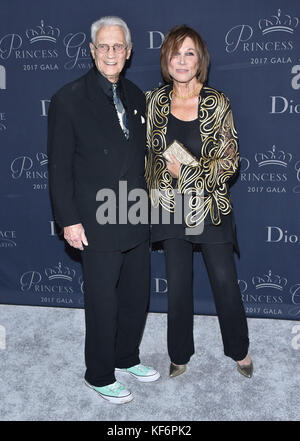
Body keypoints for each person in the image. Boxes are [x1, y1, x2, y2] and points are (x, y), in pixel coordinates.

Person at [48, 16, 160, 405]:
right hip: (94, 219)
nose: (111, 53)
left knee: (135, 294)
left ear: (128, 53)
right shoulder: (69, 98)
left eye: (118, 47)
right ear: (92, 50)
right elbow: (59, 167)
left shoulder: (135, 94)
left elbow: (149, 154)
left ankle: (126, 356)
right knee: (102, 301)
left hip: (132, 212)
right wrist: (69, 220)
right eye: (104, 46)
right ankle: (98, 373)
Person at [145, 25, 253, 379]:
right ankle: (179, 354)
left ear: (200, 59)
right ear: (166, 59)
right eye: (175, 53)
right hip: (171, 208)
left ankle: (239, 350)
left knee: (224, 282)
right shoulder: (154, 102)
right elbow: (148, 158)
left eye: (189, 53)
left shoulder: (216, 102)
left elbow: (230, 160)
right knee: (177, 286)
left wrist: (189, 171)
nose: (182, 60)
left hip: (210, 206)